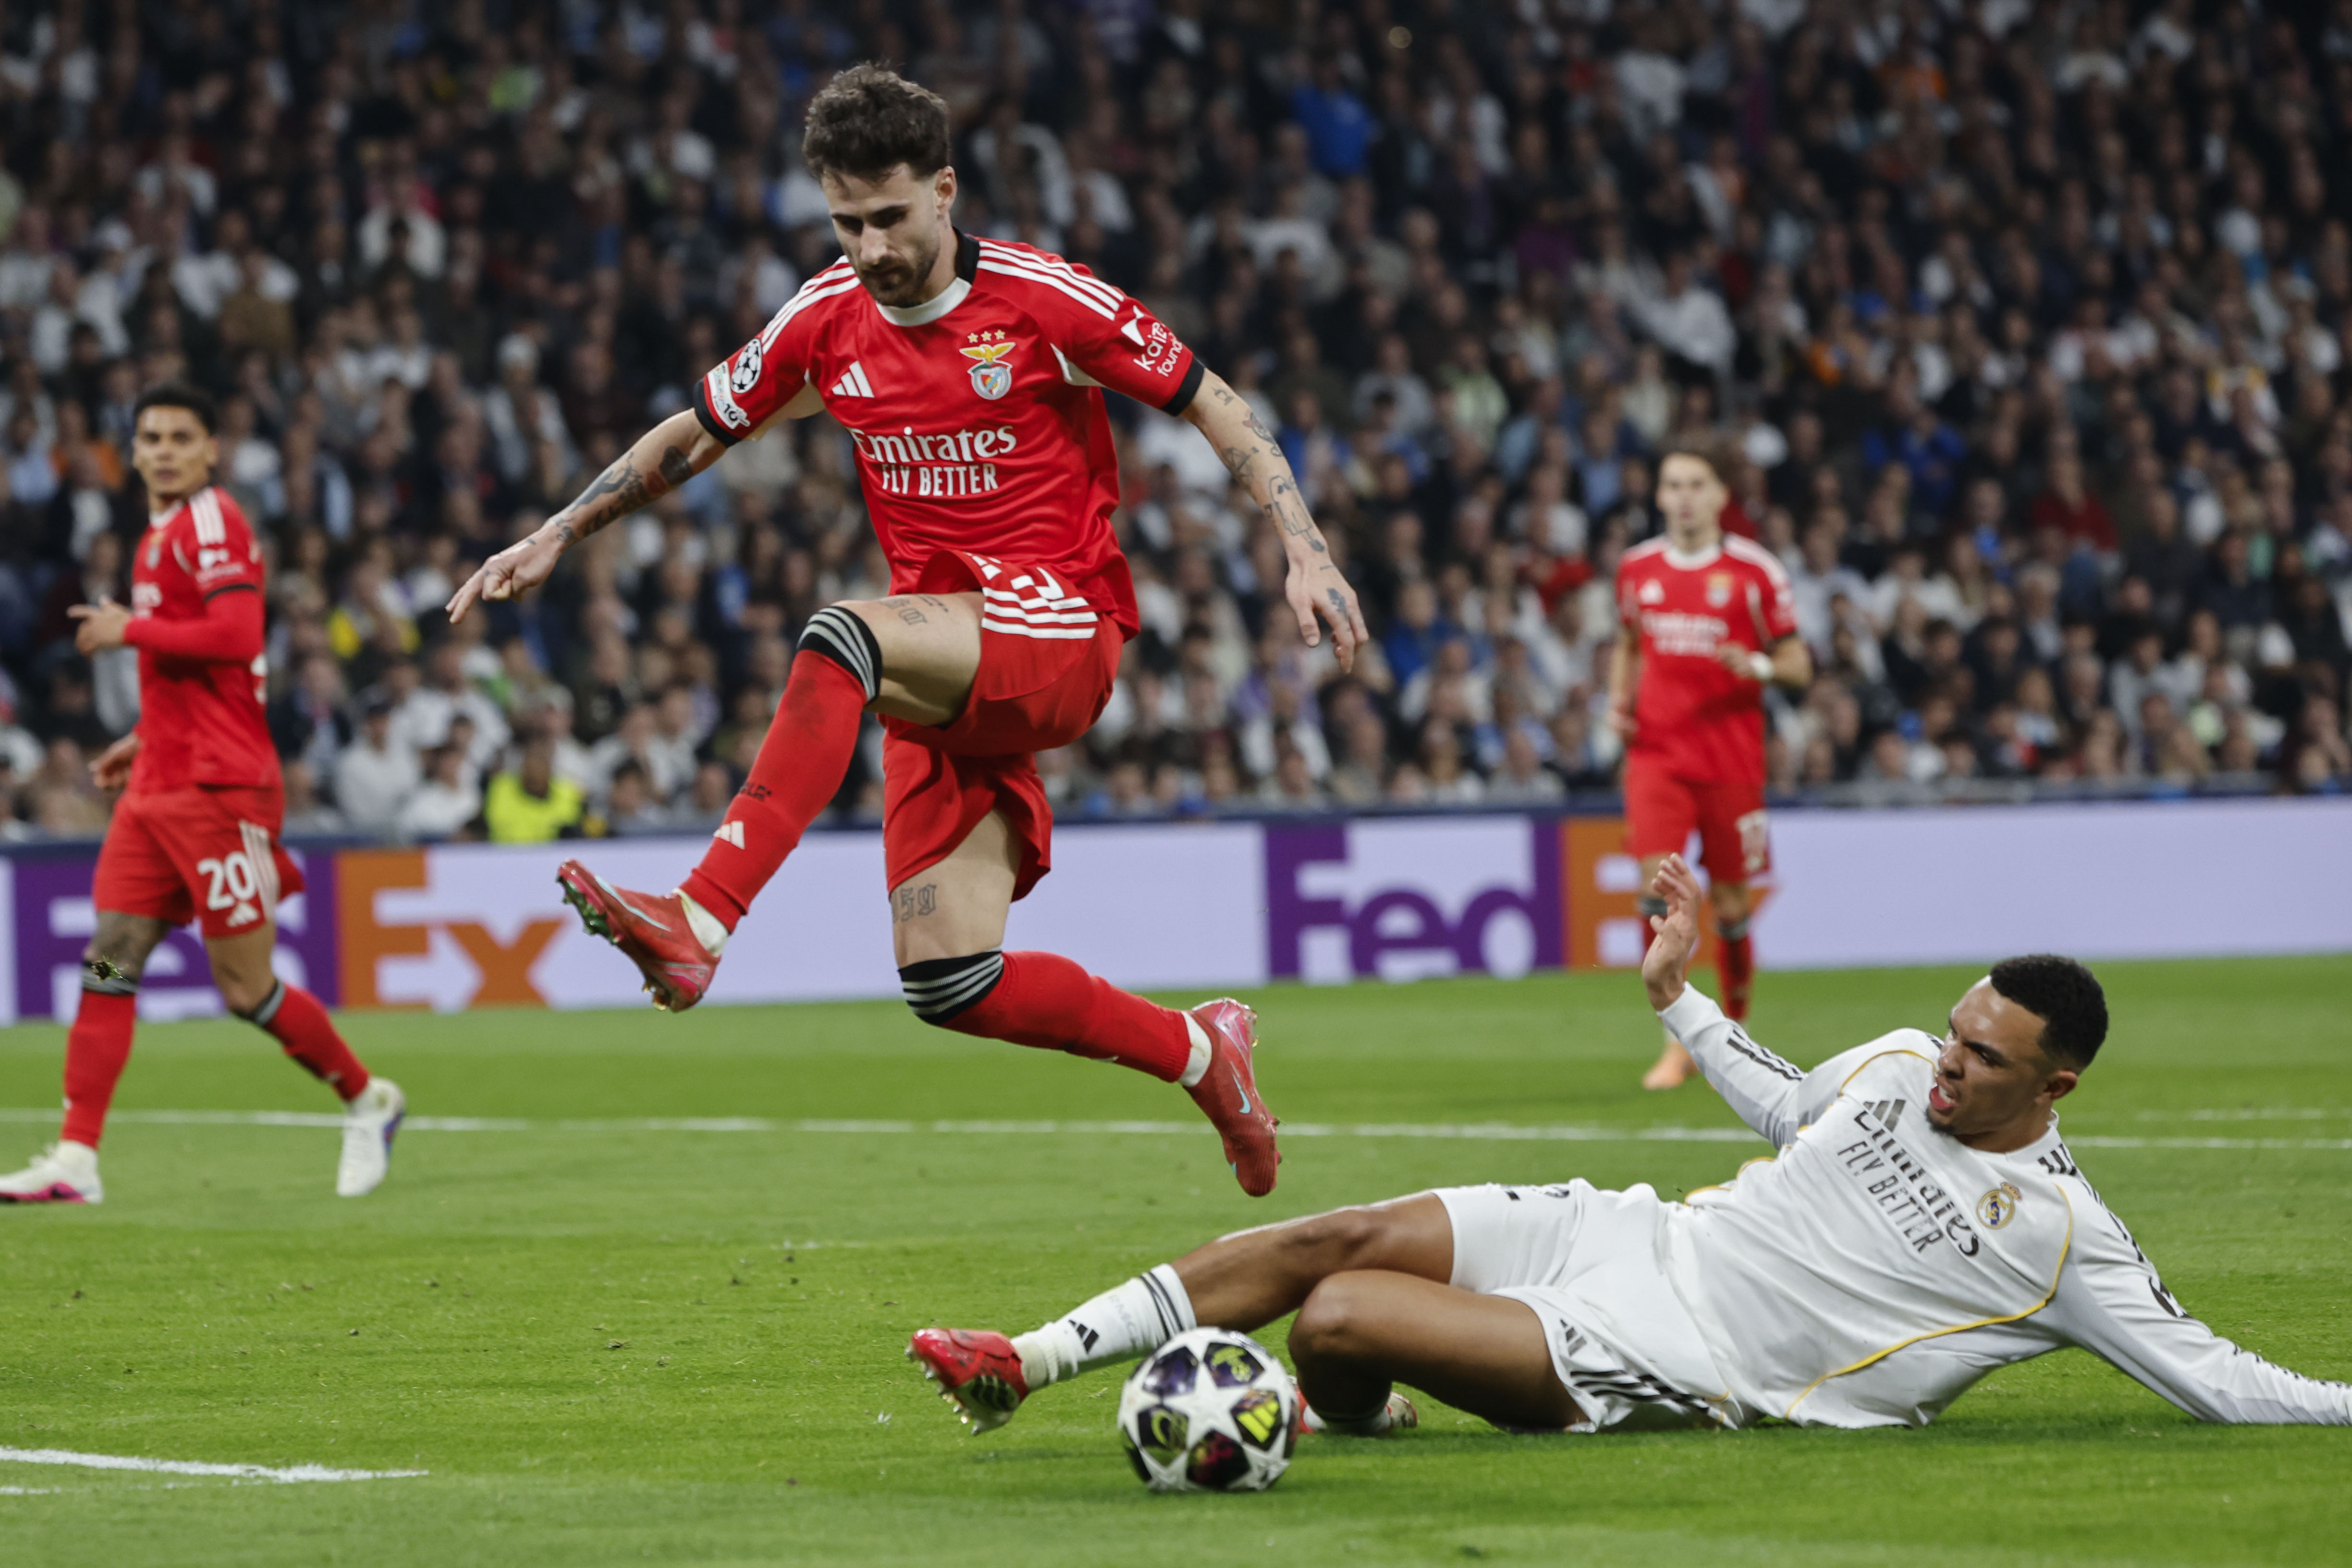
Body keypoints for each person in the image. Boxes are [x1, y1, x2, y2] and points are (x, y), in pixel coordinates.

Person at [446, 67, 1366, 1198]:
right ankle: (1199, 1053)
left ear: (944, 191)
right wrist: (555, 534)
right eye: (846, 222)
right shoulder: (825, 317)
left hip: (1060, 623)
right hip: (945, 654)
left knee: (842, 634)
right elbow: (695, 434)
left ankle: (701, 915)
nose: (871, 246)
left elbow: (1214, 403)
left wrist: (1305, 548)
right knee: (950, 978)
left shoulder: (1042, 301)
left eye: (889, 217)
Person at [909, 855, 2352, 1438]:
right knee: (1325, 1243)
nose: (1949, 1068)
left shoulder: (2058, 1239)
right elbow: (1795, 1105)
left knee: (1343, 1321)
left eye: (1986, 1059)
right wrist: (1679, 998)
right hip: (1642, 1231)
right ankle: (1023, 1363)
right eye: (1956, 1031)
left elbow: (2219, 1379)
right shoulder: (1901, 1065)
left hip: (1693, 1356)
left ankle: (1323, 1409)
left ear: (2061, 1086)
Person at [0, 384, 404, 1206]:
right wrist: (143, 739)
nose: (164, 450)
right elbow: (208, 676)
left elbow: (238, 637)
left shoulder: (213, 523)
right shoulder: (156, 537)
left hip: (223, 791)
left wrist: (128, 630)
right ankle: (77, 1158)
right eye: (150, 437)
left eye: (183, 436)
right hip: (159, 787)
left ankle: (368, 1098)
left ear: (212, 448)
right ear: (136, 448)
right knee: (111, 956)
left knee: (245, 990)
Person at [1605, 437, 1811, 1090]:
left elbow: (1799, 664)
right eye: (1673, 485)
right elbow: (1629, 641)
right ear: (1659, 495)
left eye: (1696, 485)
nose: (1683, 498)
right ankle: (1677, 1043)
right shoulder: (1637, 568)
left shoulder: (1756, 573)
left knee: (1728, 905)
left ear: (1722, 495)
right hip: (1658, 757)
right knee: (1654, 894)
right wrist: (1618, 701)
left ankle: (1736, 1034)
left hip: (1730, 762)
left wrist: (1754, 665)